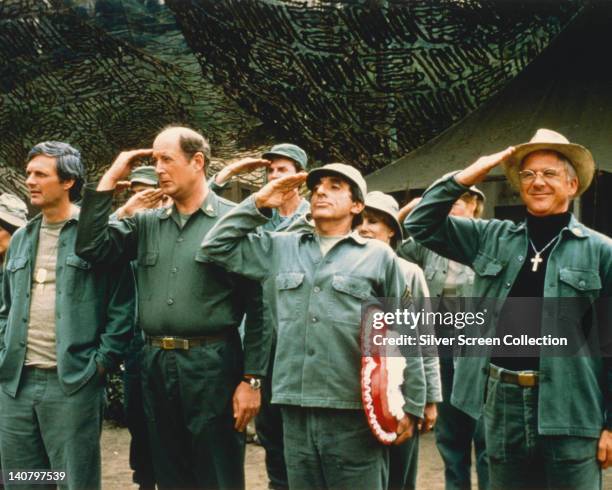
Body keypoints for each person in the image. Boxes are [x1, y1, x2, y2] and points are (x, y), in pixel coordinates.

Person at [404, 129, 612, 489]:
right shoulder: (491, 237)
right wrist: (466, 176)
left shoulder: (601, 251)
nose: (538, 182)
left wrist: (610, 423)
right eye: (528, 175)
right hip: (502, 406)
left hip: (572, 407)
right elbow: (420, 222)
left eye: (549, 173)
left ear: (573, 184)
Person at [200, 163, 426, 490]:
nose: (320, 191)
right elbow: (215, 246)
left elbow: (405, 331)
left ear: (357, 205)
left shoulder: (379, 258)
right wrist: (260, 202)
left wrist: (413, 403)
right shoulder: (281, 247)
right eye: (317, 185)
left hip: (355, 411)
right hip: (294, 408)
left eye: (335, 186)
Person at [75, 126, 270, 490]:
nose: (158, 168)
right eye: (154, 160)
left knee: (217, 474)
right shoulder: (147, 222)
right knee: (169, 473)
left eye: (167, 159)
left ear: (197, 162)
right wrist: (111, 176)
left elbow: (260, 308)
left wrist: (251, 379)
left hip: (213, 365)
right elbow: (92, 249)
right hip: (154, 364)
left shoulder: (234, 222)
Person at [0, 141, 135, 490]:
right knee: (25, 480)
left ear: (68, 182)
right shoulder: (21, 239)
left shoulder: (95, 236)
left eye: (41, 174)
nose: (30, 180)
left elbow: (122, 306)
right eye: (29, 173)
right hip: (16, 385)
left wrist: (101, 363)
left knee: (73, 480)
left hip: (72, 384)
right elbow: (5, 307)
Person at [213, 143, 309, 490]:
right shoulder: (256, 217)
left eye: (282, 170)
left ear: (300, 177)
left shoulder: (315, 219)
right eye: (269, 171)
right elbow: (210, 226)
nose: (273, 177)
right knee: (271, 434)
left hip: (301, 343)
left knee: (302, 435)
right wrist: (224, 177)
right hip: (260, 341)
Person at [398, 187, 490, 490]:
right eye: (445, 204)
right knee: (450, 435)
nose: (451, 208)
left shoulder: (489, 242)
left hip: (480, 351)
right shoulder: (428, 244)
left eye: (458, 202)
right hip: (441, 347)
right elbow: (389, 247)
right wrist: (407, 211)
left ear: (474, 206)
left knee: (486, 433)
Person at [357, 191, 442, 490]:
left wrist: (429, 400)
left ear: (392, 229)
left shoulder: (409, 272)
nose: (364, 228)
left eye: (374, 222)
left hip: (403, 392)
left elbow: (425, 339)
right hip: (359, 393)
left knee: (399, 477)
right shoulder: (344, 269)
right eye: (360, 221)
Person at [114, 165, 162, 490]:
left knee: (169, 424)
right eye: (134, 192)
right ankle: (144, 480)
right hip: (134, 346)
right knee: (138, 421)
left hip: (168, 344)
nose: (139, 198)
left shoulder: (170, 232)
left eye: (147, 192)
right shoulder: (125, 239)